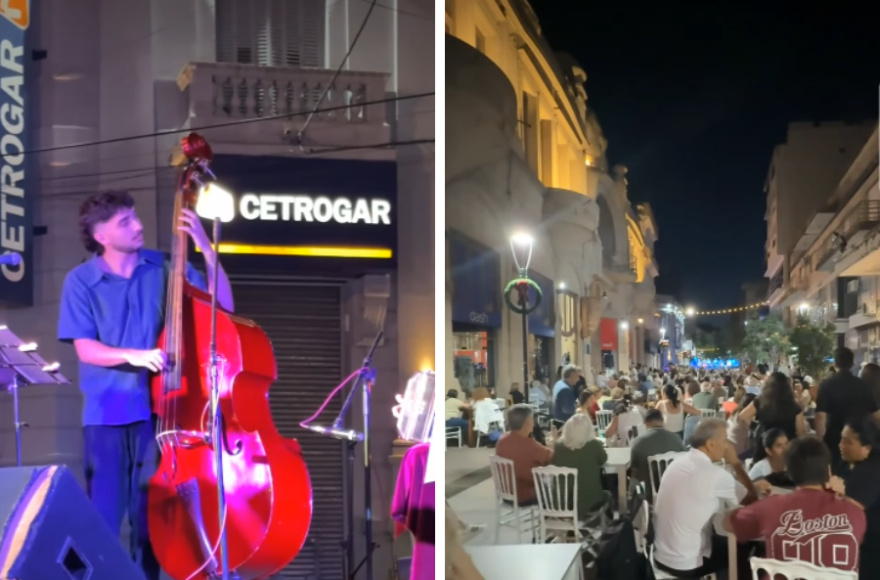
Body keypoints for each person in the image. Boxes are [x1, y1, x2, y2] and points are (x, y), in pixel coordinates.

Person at [57, 190, 232, 580]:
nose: (138, 226)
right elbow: (86, 349)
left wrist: (205, 246)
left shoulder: (166, 265)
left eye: (135, 217)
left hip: (160, 413)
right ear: (100, 235)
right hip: (106, 416)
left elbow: (224, 307)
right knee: (101, 518)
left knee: (150, 522)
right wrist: (133, 355)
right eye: (124, 222)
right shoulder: (80, 281)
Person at [725, 436, 865, 574]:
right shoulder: (855, 513)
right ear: (828, 470)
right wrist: (838, 495)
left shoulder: (772, 506)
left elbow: (728, 524)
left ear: (789, 472)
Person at [652, 419, 759, 578]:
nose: (727, 446)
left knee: (720, 538)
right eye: (724, 440)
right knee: (743, 550)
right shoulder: (715, 475)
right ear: (710, 444)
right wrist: (736, 463)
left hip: (661, 555)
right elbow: (752, 500)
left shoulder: (677, 462)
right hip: (686, 563)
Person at [816, 347, 880, 469]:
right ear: (852, 363)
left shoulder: (826, 385)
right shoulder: (863, 385)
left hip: (833, 437)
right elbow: (876, 414)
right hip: (858, 438)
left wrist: (819, 441)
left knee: (835, 474)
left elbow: (820, 417)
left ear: (835, 363)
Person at [838, 416, 880, 578]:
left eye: (848, 442)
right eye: (842, 439)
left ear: (867, 447)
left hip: (872, 546)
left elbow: (848, 511)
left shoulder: (872, 471)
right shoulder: (846, 463)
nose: (841, 445)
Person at [550, 414, 609, 520]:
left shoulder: (558, 446)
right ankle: (606, 527)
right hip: (589, 502)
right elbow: (603, 459)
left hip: (562, 503)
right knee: (608, 494)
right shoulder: (593, 445)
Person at [738, 372, 806, 462]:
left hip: (765, 445)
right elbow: (801, 431)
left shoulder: (760, 401)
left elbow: (742, 416)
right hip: (787, 447)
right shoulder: (794, 405)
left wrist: (753, 425)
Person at [495, 405, 552, 506]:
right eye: (532, 418)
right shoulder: (528, 444)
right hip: (524, 495)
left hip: (506, 492)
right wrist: (553, 443)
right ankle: (554, 517)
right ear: (527, 422)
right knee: (557, 486)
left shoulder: (502, 439)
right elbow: (551, 456)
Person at [629, 409, 684, 501]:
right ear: (662, 420)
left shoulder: (637, 442)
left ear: (646, 422)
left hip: (648, 493)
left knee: (632, 480)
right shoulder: (676, 438)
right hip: (674, 490)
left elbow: (634, 470)